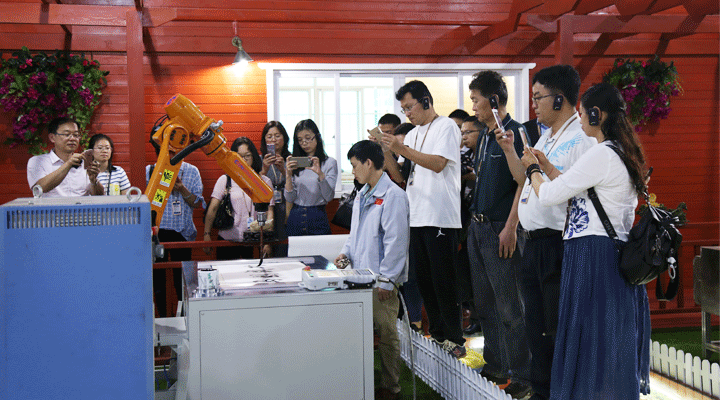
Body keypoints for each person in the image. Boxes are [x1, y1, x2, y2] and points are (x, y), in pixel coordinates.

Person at [521, 82, 651, 400]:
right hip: (605, 253)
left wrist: (533, 170)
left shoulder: (602, 154)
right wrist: (546, 166)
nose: (579, 120)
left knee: (591, 335)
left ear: (596, 114)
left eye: (582, 114)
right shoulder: (617, 152)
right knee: (605, 336)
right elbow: (574, 187)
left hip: (593, 254)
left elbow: (549, 195)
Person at [496, 65, 596, 400]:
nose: (534, 104)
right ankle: (542, 391)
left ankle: (561, 392)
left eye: (538, 97)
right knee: (536, 328)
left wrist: (542, 170)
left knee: (555, 329)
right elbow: (524, 179)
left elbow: (574, 193)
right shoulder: (547, 136)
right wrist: (510, 151)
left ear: (559, 98)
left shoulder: (581, 139)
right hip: (534, 242)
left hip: (559, 242)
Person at [381, 80, 465, 358]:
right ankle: (438, 335)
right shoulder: (414, 134)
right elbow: (402, 176)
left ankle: (455, 338)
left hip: (440, 214)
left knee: (444, 280)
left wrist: (401, 148)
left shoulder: (446, 127)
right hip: (416, 214)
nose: (407, 113)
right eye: (403, 109)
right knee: (425, 280)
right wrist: (386, 150)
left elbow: (438, 164)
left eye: (409, 107)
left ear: (426, 101)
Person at [466, 70, 532, 398]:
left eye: (476, 100)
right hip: (477, 227)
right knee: (485, 303)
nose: (473, 107)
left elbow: (525, 182)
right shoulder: (484, 136)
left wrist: (511, 226)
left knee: (510, 307)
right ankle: (496, 365)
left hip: (500, 228)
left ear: (493, 100)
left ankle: (523, 375)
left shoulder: (516, 132)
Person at [334, 140, 409, 400]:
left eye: (355, 165)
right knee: (362, 333)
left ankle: (391, 387)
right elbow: (355, 234)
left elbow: (396, 242)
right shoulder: (362, 193)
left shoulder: (394, 196)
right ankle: (364, 382)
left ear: (368, 163)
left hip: (381, 282)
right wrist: (345, 253)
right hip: (360, 278)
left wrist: (387, 281)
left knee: (387, 335)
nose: (353, 171)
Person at [146, 146, 206, 317]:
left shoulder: (192, 171)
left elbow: (197, 203)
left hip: (183, 234)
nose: (172, 155)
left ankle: (186, 321)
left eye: (176, 151)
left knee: (184, 283)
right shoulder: (151, 170)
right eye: (168, 151)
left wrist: (181, 188)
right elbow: (144, 200)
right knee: (159, 282)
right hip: (157, 233)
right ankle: (163, 320)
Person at [204, 137, 274, 260]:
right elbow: (213, 208)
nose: (244, 160)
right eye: (239, 157)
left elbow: (269, 212)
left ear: (254, 156)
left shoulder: (264, 182)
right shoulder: (225, 180)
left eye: (247, 155)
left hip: (254, 241)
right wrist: (207, 234)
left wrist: (267, 240)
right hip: (227, 240)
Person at [284, 119, 338, 236]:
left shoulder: (329, 163)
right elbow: (289, 198)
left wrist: (320, 174)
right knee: (295, 248)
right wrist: (288, 175)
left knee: (321, 247)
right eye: (300, 140)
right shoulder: (295, 163)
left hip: (317, 215)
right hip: (296, 215)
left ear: (317, 137)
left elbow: (328, 197)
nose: (304, 143)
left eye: (308, 138)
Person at [27, 117, 103, 197]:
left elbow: (100, 196)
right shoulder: (37, 161)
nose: (72, 138)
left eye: (76, 135)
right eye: (67, 134)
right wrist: (68, 164)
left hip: (81, 205)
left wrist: (94, 181)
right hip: (53, 205)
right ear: (52, 137)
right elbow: (40, 188)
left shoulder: (85, 162)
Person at [459, 116, 484, 336]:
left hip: (484, 219)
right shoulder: (464, 156)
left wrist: (472, 175)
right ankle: (475, 317)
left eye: (468, 132)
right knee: (469, 274)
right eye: (462, 133)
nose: (464, 137)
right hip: (465, 219)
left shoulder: (486, 153)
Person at [260, 121, 291, 257]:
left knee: (286, 249)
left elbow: (296, 185)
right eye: (269, 136)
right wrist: (264, 170)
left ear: (284, 138)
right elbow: (254, 187)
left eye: (277, 136)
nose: (274, 139)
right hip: (267, 210)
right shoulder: (259, 160)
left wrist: (284, 170)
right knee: (267, 252)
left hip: (287, 209)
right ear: (265, 140)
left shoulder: (290, 159)